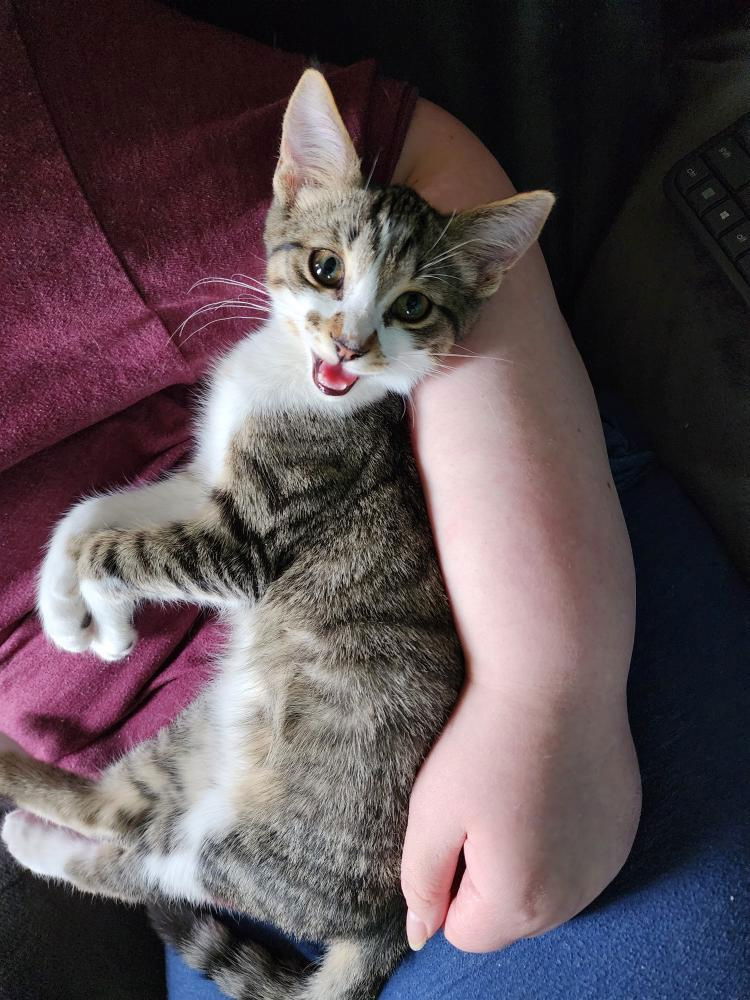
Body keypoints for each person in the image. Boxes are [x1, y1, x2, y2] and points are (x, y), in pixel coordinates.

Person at [2, 3, 747, 998]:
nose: (347, 340)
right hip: (223, 773)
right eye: (326, 273)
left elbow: (434, 168)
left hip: (459, 639)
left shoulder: (43, 95)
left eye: (396, 308)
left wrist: (544, 690)